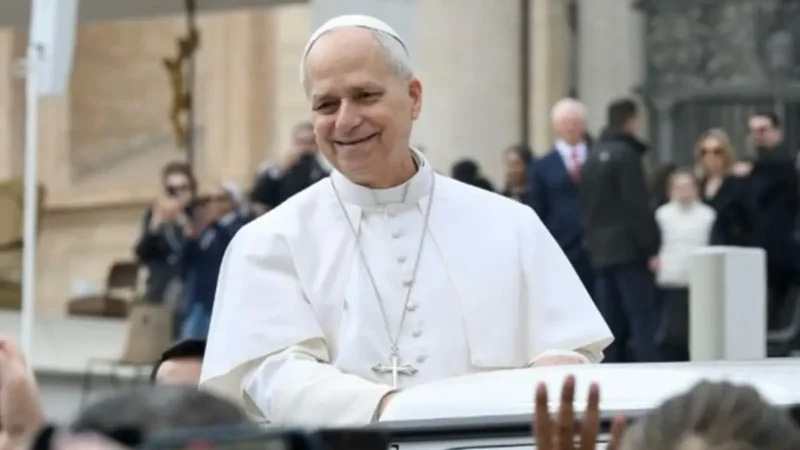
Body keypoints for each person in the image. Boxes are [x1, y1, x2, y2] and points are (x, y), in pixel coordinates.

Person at [200, 15, 612, 426]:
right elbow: (270, 374)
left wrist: (559, 368)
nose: (345, 120)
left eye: (365, 95)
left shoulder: (510, 224)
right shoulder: (269, 241)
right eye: (327, 104)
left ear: (413, 97)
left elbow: (572, 352)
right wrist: (391, 409)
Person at [580, 98, 661, 363]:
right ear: (631, 121)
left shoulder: (591, 156)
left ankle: (610, 372)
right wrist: (650, 244)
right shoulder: (627, 155)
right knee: (641, 319)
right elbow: (635, 205)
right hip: (629, 250)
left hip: (600, 252)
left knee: (610, 321)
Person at [530, 99, 594, 297]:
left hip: (596, 245)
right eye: (565, 122)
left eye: (575, 121)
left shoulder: (597, 156)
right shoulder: (542, 166)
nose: (570, 127)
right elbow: (537, 207)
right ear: (556, 126)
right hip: (561, 244)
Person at [652, 170, 715, 361]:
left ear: (696, 189)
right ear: (670, 190)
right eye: (679, 187)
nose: (684, 192)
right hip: (670, 281)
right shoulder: (661, 215)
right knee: (671, 335)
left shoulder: (709, 215)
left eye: (688, 186)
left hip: (700, 282)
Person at [746, 111, 799, 330]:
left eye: (763, 129)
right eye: (753, 131)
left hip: (783, 251)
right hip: (759, 249)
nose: (758, 136)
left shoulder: (785, 166)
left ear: (777, 132)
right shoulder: (753, 167)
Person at [250, 122, 329, 216]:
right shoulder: (278, 171)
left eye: (311, 142)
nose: (306, 147)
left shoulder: (323, 173)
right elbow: (259, 197)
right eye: (302, 142)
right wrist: (280, 170)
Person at [695, 129, 756, 247]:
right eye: (704, 152)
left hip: (731, 246)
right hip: (701, 246)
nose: (710, 156)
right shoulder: (697, 184)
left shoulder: (738, 183)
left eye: (717, 151)